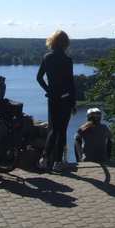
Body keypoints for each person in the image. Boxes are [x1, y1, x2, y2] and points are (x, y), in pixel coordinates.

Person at [36, 30, 76, 172]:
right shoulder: (67, 60)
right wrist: (73, 102)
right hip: (65, 98)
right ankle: (57, 162)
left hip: (52, 99)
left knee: (53, 129)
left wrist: (48, 90)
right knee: (62, 130)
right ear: (65, 43)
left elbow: (39, 78)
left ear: (52, 41)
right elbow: (71, 83)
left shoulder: (47, 58)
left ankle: (44, 159)